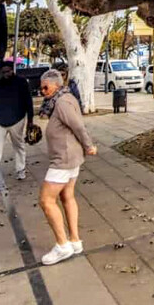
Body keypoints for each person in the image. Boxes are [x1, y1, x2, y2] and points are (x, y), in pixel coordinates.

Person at [37, 68, 97, 265]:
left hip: (63, 159)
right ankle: (74, 240)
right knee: (67, 196)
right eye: (41, 88)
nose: (43, 91)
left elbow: (78, 126)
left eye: (45, 87)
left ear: (56, 85)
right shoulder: (63, 99)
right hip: (69, 156)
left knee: (46, 200)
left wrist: (89, 146)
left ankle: (62, 245)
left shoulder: (62, 102)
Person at [0, 61, 33, 198]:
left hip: (18, 119)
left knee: (19, 145)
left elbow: (28, 102)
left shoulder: (21, 83)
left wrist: (30, 122)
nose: (6, 74)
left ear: (12, 70)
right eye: (3, 72)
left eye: (8, 71)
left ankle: (21, 168)